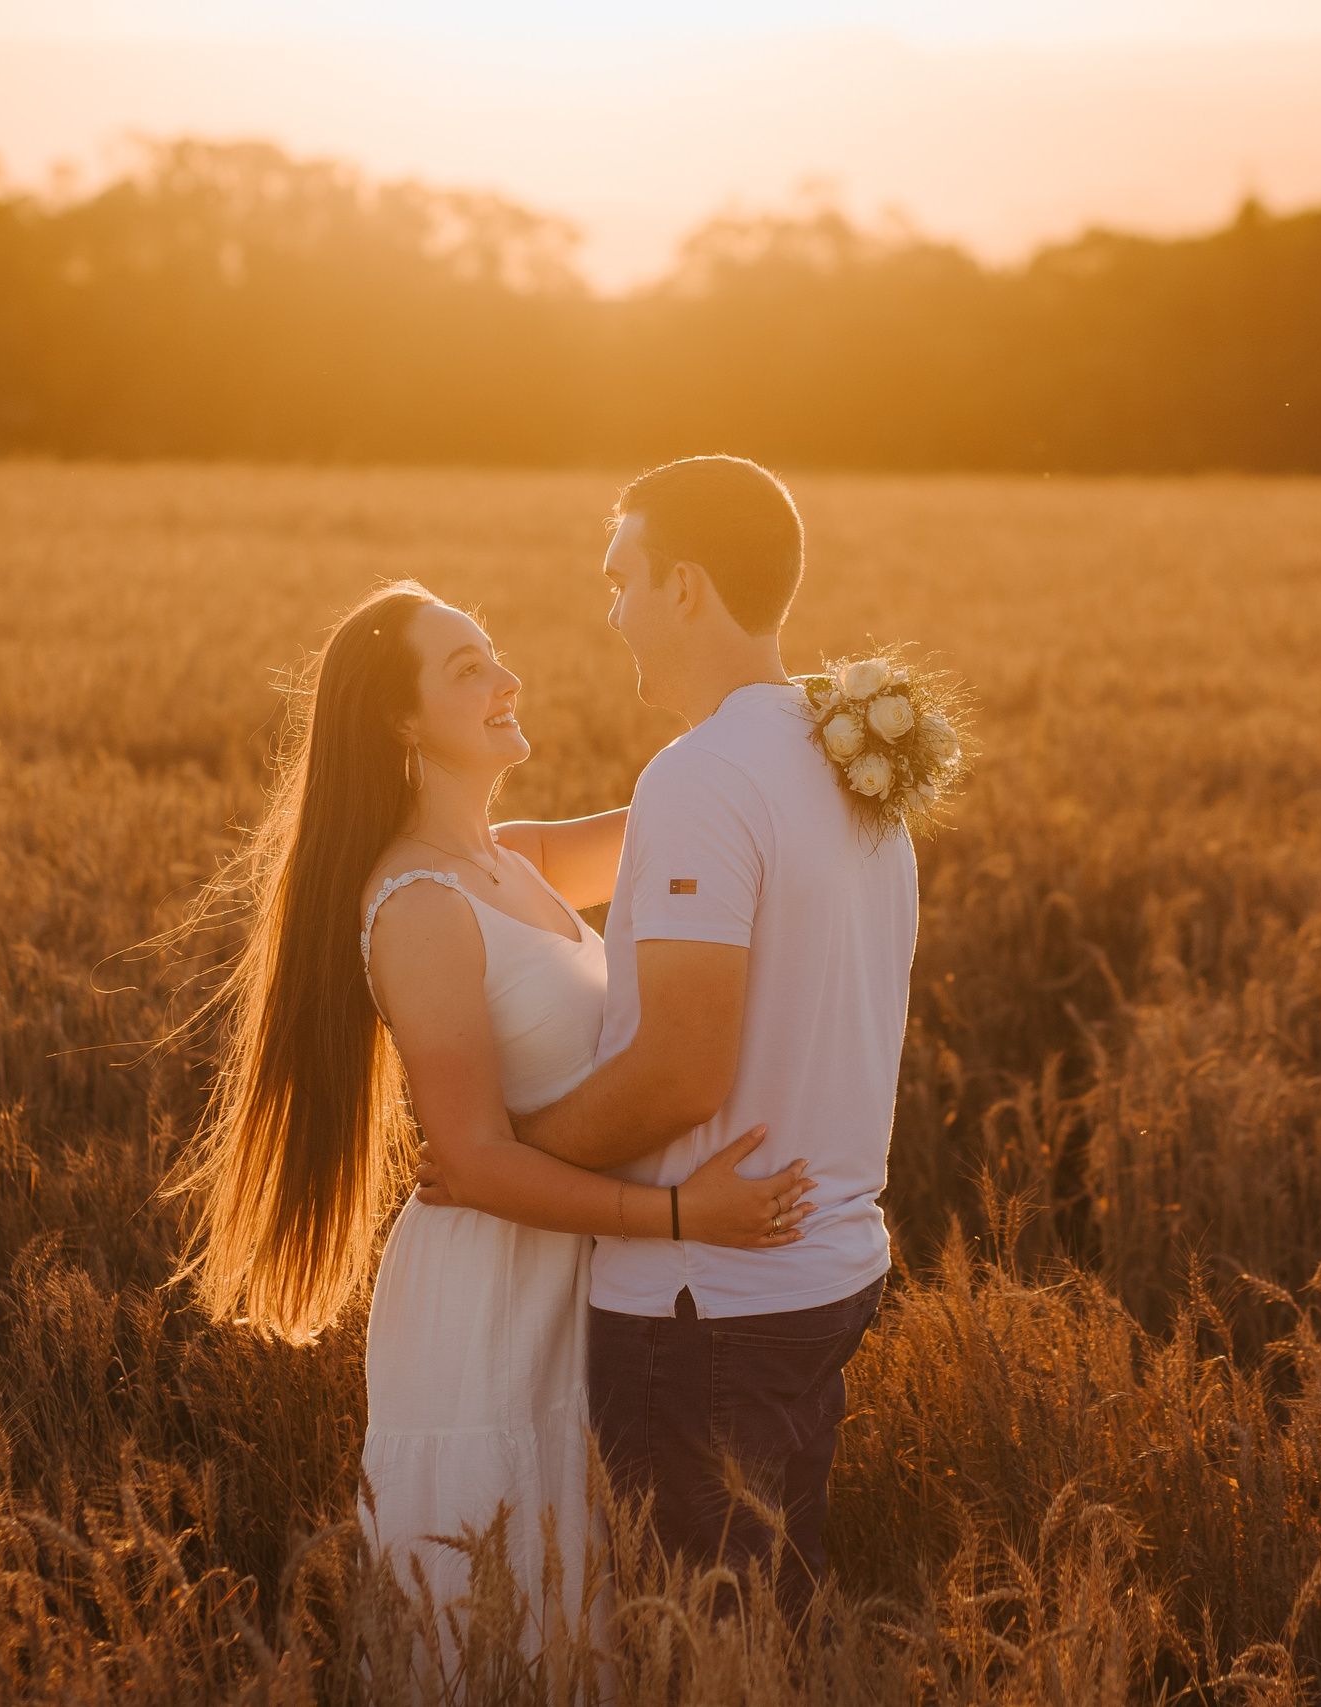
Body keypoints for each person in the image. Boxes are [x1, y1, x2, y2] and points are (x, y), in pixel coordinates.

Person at [170, 574, 816, 1658]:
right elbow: (466, 1162)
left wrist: (810, 720)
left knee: (584, 1603)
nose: (507, 680)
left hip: (572, 1268)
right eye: (468, 671)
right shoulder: (419, 906)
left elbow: (699, 803)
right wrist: (679, 1215)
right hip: (491, 1290)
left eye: (495, 655)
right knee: (502, 1614)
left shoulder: (513, 858)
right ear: (401, 721)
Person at [420, 455, 921, 1613]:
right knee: (772, 1623)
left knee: (704, 1646)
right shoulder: (851, 766)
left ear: (685, 588)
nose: (612, 613)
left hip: (708, 1308)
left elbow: (679, 1070)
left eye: (622, 579)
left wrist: (508, 1153)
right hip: (825, 1271)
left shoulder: (704, 776)